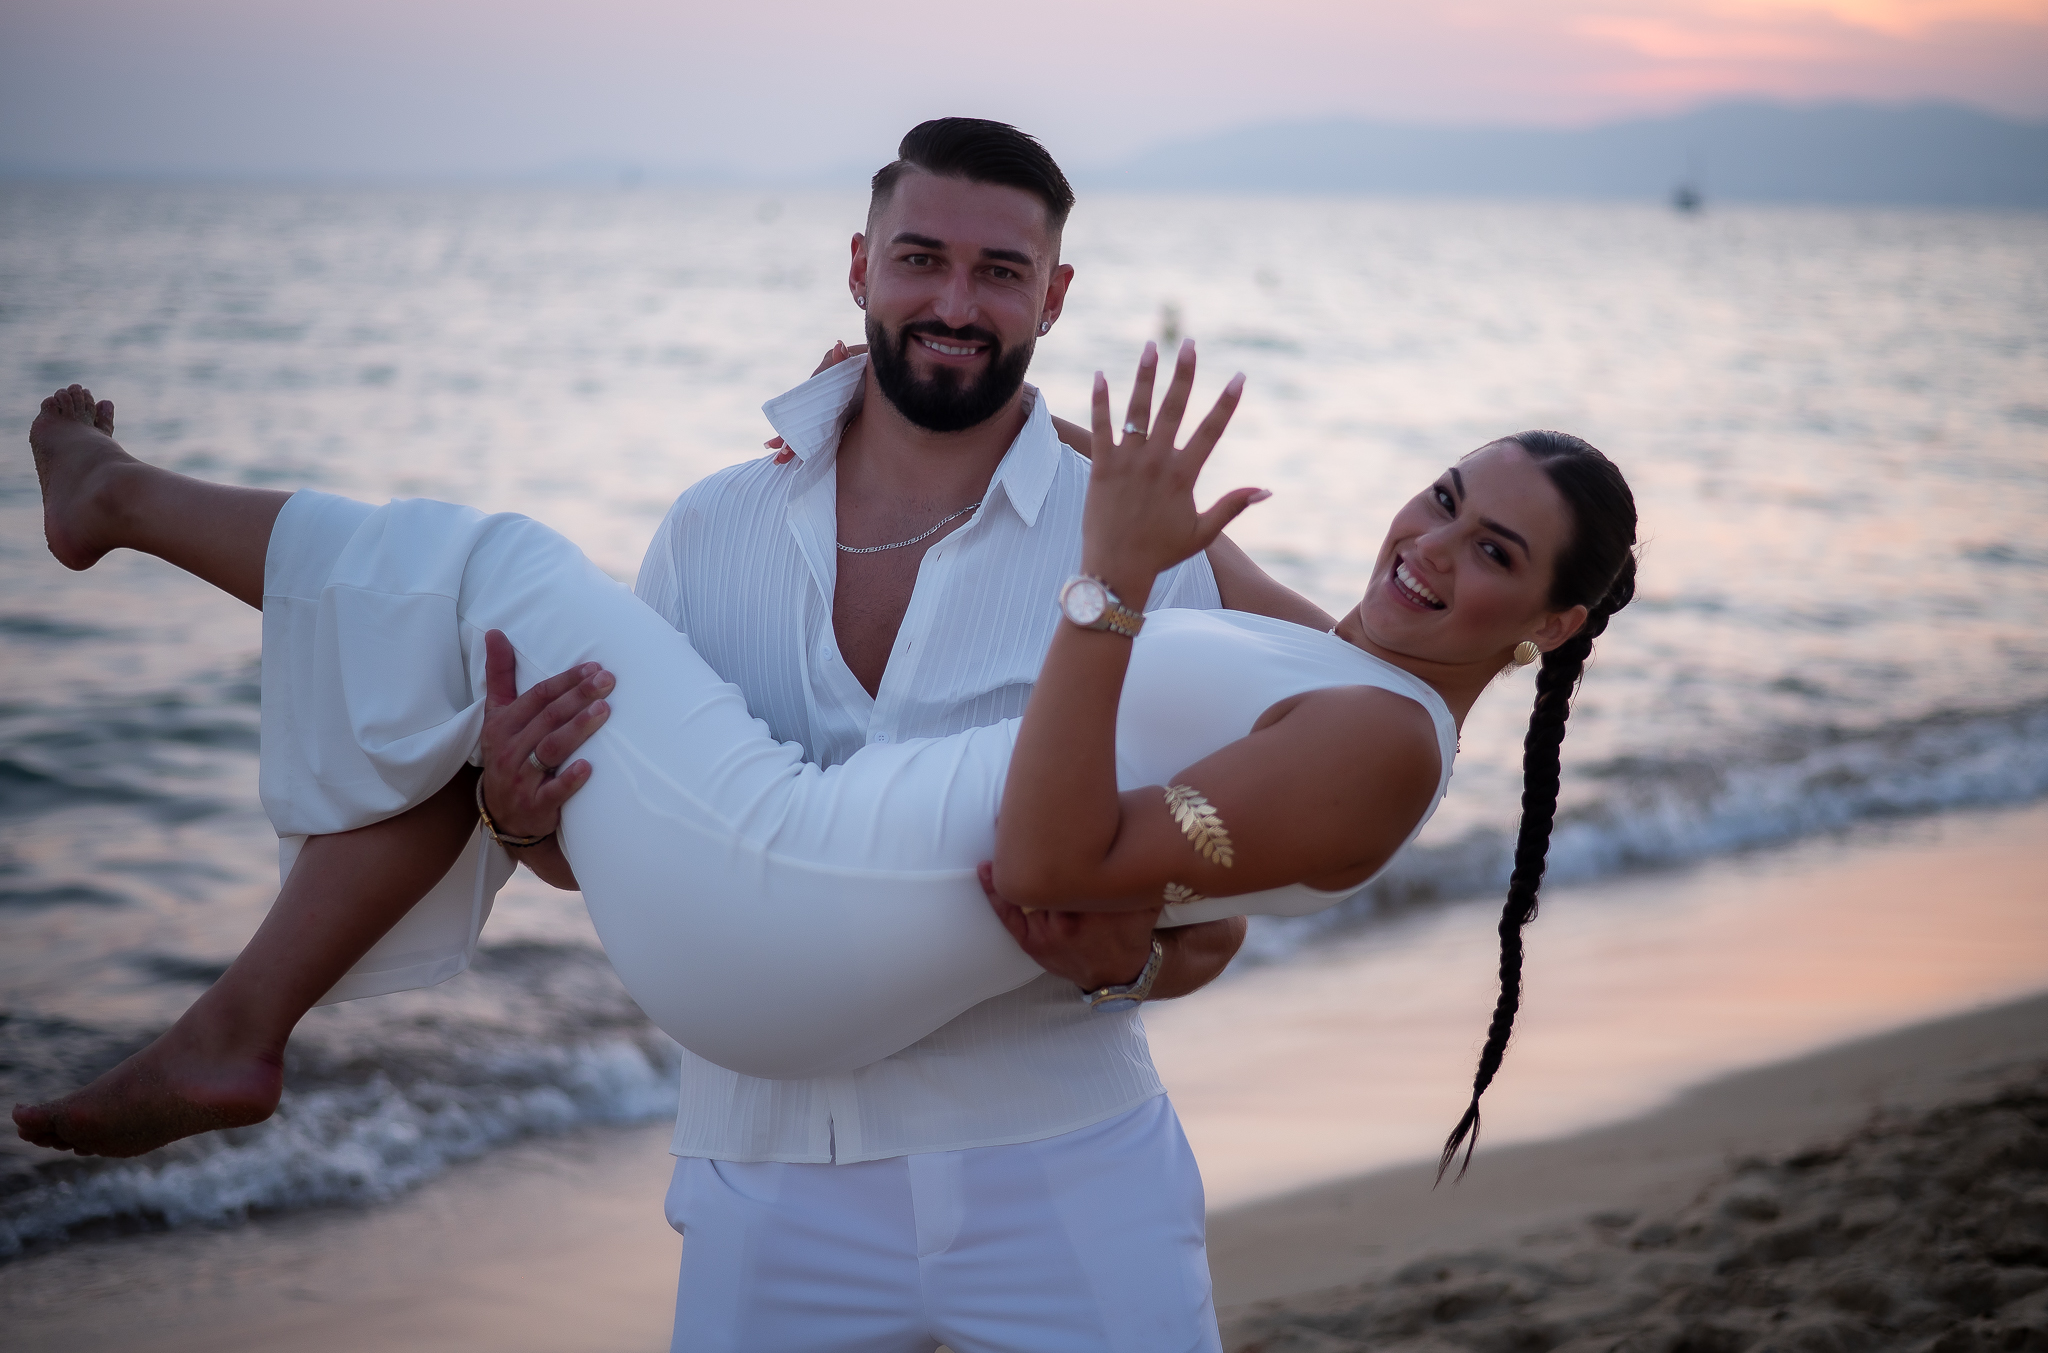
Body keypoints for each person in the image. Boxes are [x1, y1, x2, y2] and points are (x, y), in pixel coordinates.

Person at [17, 119, 1639, 1350]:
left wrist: (1128, 943)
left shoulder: (1142, 542)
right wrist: (516, 812)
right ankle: (240, 1008)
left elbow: (1233, 870)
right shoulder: (718, 525)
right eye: (919, 258)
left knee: (488, 569)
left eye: (998, 272)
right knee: (478, 649)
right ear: (858, 267)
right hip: (767, 1173)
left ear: (1052, 296)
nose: (954, 300)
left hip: (1054, 1162)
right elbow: (617, 854)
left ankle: (133, 552)